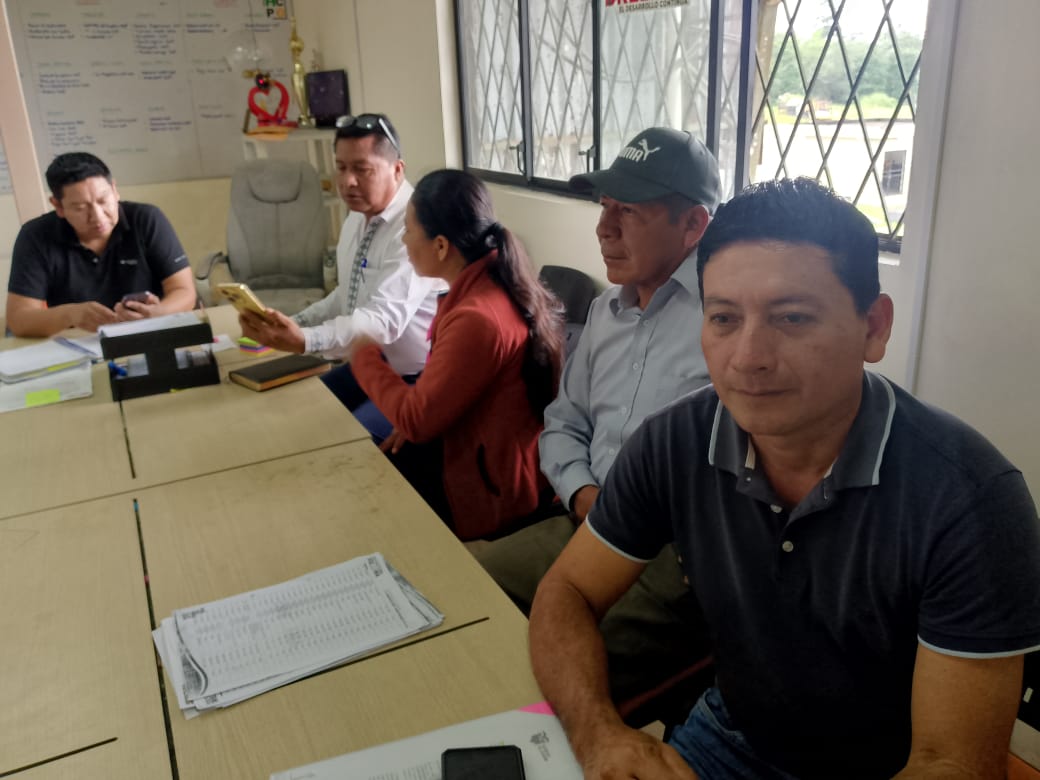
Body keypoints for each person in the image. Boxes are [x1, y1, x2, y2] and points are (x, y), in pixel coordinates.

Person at [529, 178, 1040, 780]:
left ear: (874, 328)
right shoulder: (676, 440)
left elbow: (951, 764)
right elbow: (567, 592)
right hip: (731, 735)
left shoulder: (969, 500)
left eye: (792, 317)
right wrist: (597, 732)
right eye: (724, 318)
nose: (748, 358)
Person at [474, 127, 720, 702]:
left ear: (693, 225)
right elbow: (564, 423)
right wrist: (585, 496)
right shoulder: (608, 312)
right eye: (604, 206)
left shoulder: (725, 321)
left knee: (548, 675)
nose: (604, 228)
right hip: (586, 520)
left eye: (628, 211)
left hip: (666, 557)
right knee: (465, 587)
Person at [346, 169, 564, 540]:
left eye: (408, 230)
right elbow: (440, 399)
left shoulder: (478, 317)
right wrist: (417, 417)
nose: (403, 239)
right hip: (476, 453)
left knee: (368, 484)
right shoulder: (485, 285)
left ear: (441, 246)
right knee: (379, 454)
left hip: (492, 488)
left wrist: (364, 354)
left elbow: (416, 420)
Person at [239, 113, 444, 439]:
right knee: (296, 418)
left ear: (397, 169)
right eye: (341, 167)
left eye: (362, 169)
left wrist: (306, 340)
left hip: (414, 380)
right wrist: (292, 323)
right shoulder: (358, 217)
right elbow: (346, 294)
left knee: (345, 442)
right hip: (367, 366)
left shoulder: (414, 226)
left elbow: (382, 322)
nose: (348, 181)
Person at [6, 152, 196, 337]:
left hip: (149, 334)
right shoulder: (36, 236)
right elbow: (19, 319)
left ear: (114, 190)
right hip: (81, 344)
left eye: (103, 200)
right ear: (58, 206)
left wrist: (158, 313)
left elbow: (184, 291)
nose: (97, 216)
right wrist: (70, 315)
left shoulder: (146, 219)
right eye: (80, 208)